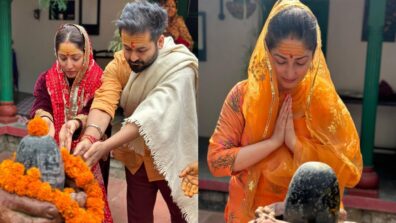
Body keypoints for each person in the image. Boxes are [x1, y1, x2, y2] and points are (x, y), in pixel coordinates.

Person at [207, 1, 363, 222]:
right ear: (267, 52)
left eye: (300, 62)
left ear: (314, 57)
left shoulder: (325, 106)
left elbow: (346, 169)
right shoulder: (243, 96)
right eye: (281, 60)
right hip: (247, 215)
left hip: (304, 217)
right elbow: (216, 162)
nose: (290, 72)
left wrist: (294, 144)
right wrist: (272, 142)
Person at [67, 1, 198, 222]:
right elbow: (105, 99)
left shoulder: (180, 66)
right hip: (138, 158)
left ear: (160, 40)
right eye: (127, 48)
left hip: (175, 158)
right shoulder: (121, 63)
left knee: (183, 216)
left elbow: (151, 113)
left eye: (141, 50)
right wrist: (90, 137)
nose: (133, 57)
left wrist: (106, 146)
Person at [29, 24, 112, 222]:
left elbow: (98, 111)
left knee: (88, 204)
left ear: (86, 52)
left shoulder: (100, 79)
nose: (69, 65)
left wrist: (76, 124)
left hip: (89, 152)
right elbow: (41, 104)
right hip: (56, 149)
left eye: (75, 58)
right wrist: (46, 121)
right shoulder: (47, 78)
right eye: (62, 58)